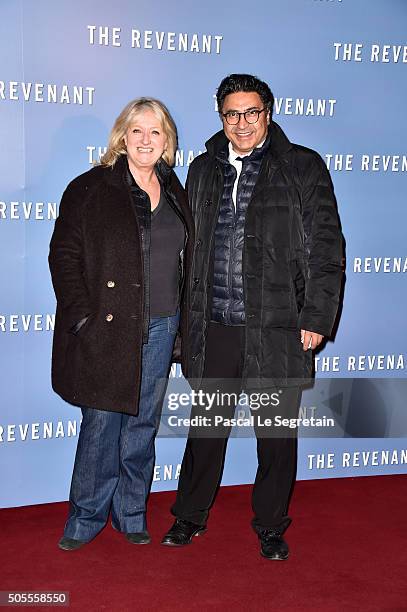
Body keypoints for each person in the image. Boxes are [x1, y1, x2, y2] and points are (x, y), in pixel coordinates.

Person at [161, 74, 343, 560]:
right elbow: (184, 251)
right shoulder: (201, 170)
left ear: (269, 111)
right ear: (220, 116)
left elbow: (326, 247)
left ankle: (270, 525)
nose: (241, 123)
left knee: (276, 436)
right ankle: (189, 515)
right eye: (231, 114)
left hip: (279, 325)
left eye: (252, 112)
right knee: (206, 430)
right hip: (213, 323)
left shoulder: (302, 167)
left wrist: (317, 317)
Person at [49, 97, 194, 551]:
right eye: (138, 131)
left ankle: (130, 512)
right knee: (101, 423)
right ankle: (86, 516)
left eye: (156, 132)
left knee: (142, 424)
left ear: (167, 140)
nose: (147, 140)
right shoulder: (90, 187)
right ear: (122, 138)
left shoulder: (175, 189)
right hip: (108, 328)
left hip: (162, 325)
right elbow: (64, 255)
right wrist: (82, 314)